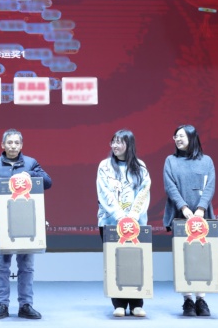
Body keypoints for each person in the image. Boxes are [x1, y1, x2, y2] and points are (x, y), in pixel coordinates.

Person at [0, 128, 52, 320]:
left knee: (26, 265)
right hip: (3, 222)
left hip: (27, 220)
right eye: (9, 142)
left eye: (16, 143)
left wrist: (30, 175)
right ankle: (1, 304)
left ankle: (26, 305)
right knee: (1, 265)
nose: (13, 146)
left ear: (21, 145)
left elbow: (48, 182)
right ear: (2, 145)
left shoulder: (31, 163)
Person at [96, 129, 151, 318]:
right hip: (110, 221)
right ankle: (118, 303)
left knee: (136, 261)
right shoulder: (104, 166)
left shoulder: (140, 167)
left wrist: (133, 216)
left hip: (135, 223)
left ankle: (136, 304)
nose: (115, 145)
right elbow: (104, 192)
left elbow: (144, 192)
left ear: (129, 144)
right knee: (115, 262)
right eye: (113, 141)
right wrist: (120, 216)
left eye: (119, 142)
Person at [163, 124, 216, 317]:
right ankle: (187, 300)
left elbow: (210, 186)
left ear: (192, 138)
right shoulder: (171, 161)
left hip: (202, 217)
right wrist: (184, 207)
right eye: (175, 136)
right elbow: (170, 186)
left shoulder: (207, 161)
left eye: (181, 136)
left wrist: (201, 208)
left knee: (202, 256)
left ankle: (201, 299)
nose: (177, 139)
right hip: (180, 216)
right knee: (183, 257)